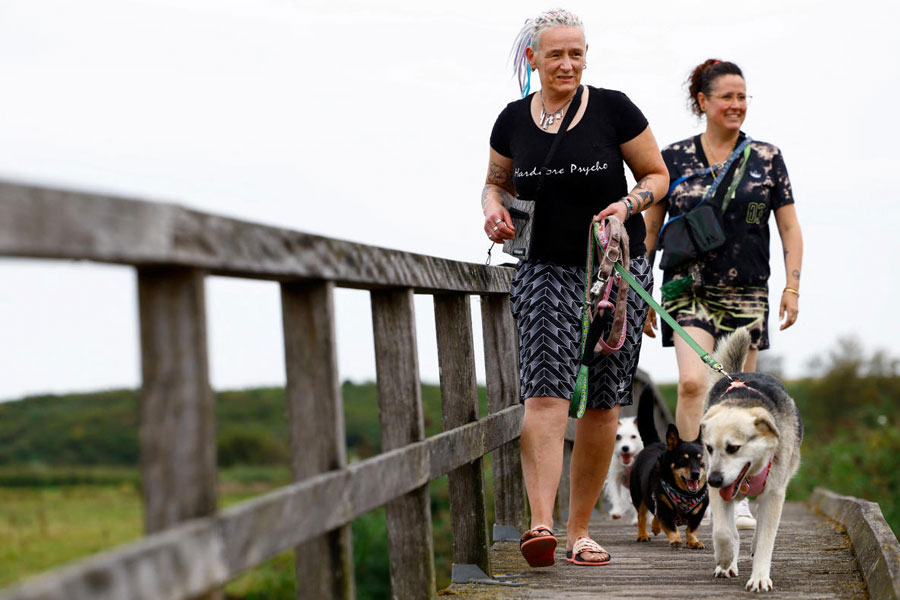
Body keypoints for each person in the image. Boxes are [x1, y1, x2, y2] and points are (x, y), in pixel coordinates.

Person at [482, 9, 668, 566]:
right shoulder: (512, 120)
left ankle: (579, 530)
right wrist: (493, 209)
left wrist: (627, 203)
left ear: (586, 55)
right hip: (545, 268)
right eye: (556, 54)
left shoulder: (614, 108)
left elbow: (657, 177)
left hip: (615, 272)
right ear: (533, 58)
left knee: (605, 402)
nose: (567, 63)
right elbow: (496, 181)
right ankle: (540, 525)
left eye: (577, 53)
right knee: (544, 394)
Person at [643, 59, 803, 529]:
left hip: (746, 290)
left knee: (740, 397)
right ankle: (690, 487)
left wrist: (793, 285)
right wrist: (642, 291)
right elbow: (652, 227)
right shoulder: (672, 158)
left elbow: (789, 227)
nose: (736, 105)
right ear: (703, 102)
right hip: (685, 288)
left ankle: (742, 491)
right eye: (727, 97)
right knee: (695, 384)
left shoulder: (767, 158)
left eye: (743, 97)